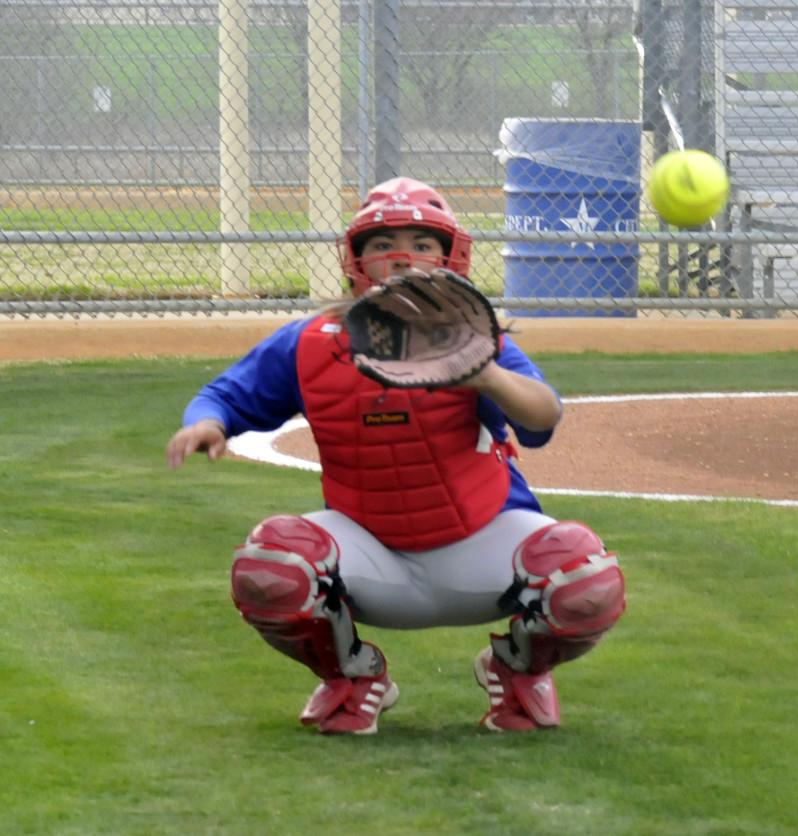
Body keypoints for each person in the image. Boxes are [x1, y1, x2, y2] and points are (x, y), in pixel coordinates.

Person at [166, 177, 625, 735]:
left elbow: (542, 416)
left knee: (584, 577)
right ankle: (354, 677)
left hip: (481, 542)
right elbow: (224, 395)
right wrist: (205, 424)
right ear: (357, 260)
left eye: (421, 244)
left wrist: (484, 374)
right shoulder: (312, 341)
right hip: (371, 552)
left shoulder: (479, 339)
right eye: (383, 245)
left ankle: (520, 669)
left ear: (449, 256)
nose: (402, 257)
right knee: (273, 565)